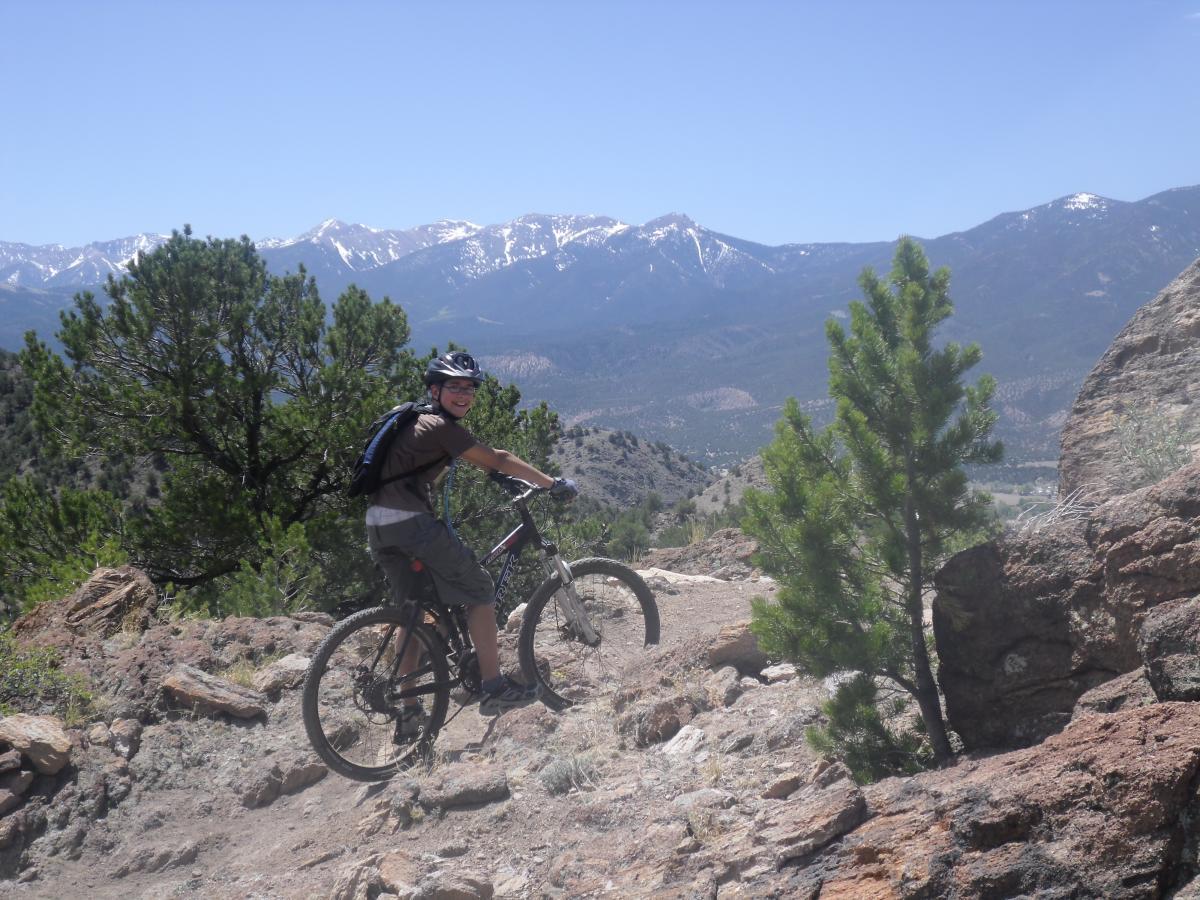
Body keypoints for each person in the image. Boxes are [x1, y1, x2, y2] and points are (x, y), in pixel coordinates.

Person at [365, 350, 577, 737]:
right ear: (435, 390)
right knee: (479, 588)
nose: (463, 395)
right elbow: (498, 457)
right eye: (454, 387)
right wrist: (551, 483)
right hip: (412, 526)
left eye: (469, 388)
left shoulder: (417, 420)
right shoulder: (439, 426)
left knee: (412, 614)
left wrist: (498, 475)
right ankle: (494, 688)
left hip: (379, 527)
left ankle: (409, 713)